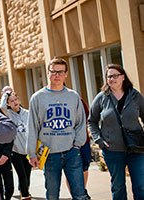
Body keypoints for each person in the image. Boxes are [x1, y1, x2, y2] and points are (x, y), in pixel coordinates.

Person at [27, 58, 87, 200]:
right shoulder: (37, 98)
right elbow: (32, 126)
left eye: (60, 72)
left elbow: (80, 122)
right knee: (52, 195)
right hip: (49, 153)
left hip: (71, 152)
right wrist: (31, 153)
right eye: (53, 72)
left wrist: (77, 144)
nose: (57, 75)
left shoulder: (73, 96)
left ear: (66, 74)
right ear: (48, 73)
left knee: (79, 194)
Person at [88, 64, 144, 200]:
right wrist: (99, 141)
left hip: (136, 149)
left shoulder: (135, 95)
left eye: (115, 76)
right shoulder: (102, 97)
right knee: (118, 186)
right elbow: (91, 121)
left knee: (140, 185)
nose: (112, 79)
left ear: (123, 77)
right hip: (112, 150)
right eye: (109, 76)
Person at [1, 91, 32, 200]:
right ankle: (25, 195)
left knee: (27, 174)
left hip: (27, 149)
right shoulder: (8, 114)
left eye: (15, 100)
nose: (14, 102)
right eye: (11, 101)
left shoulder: (28, 113)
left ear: (19, 100)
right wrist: (6, 94)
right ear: (8, 104)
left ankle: (25, 190)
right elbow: (1, 106)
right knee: (22, 175)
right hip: (15, 151)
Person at [66, 98, 92, 199]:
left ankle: (82, 191)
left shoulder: (77, 99)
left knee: (85, 167)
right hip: (67, 144)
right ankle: (74, 195)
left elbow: (87, 116)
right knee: (70, 169)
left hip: (83, 141)